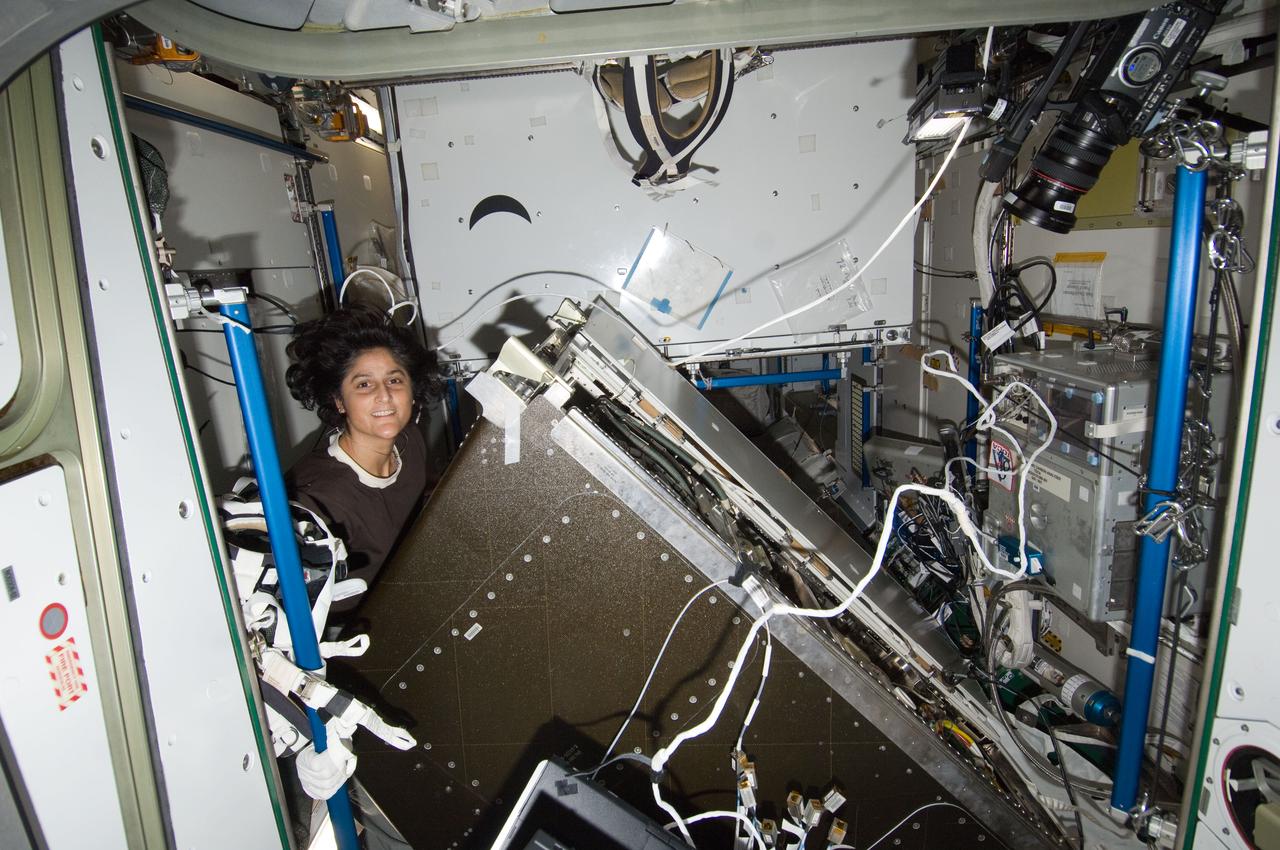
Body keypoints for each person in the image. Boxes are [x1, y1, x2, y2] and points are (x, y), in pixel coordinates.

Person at [285, 305, 439, 609]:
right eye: (364, 384)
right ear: (339, 401)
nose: (384, 395)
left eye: (394, 380)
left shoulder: (410, 442)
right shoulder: (319, 498)